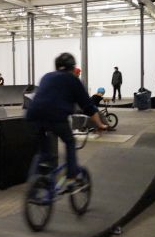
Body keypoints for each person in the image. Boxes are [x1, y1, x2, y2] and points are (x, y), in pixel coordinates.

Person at [26, 53, 107, 185]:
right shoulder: (73, 80)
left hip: (33, 116)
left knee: (43, 151)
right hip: (56, 117)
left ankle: (35, 181)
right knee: (70, 142)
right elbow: (88, 107)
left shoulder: (47, 76)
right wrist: (100, 124)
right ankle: (71, 176)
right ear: (72, 67)